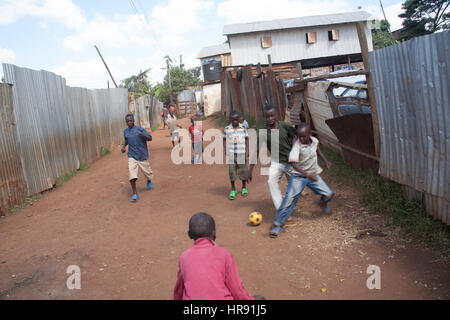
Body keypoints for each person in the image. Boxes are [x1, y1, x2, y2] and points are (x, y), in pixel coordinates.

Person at [174, 212, 264, 300]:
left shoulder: (184, 257)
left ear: (189, 234)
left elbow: (179, 288)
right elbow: (236, 288)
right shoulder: (224, 254)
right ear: (214, 233)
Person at [269, 123, 334, 238]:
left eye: (304, 136)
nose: (301, 139)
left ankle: (322, 202)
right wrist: (307, 174)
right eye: (299, 136)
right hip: (299, 176)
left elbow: (318, 151)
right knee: (289, 199)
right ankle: (278, 225)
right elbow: (294, 165)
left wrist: (326, 160)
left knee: (329, 193)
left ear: (310, 134)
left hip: (313, 175)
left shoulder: (315, 141)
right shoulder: (297, 146)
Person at [248, 104, 297, 210]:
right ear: (264, 117)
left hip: (290, 162)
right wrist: (250, 170)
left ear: (276, 115)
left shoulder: (284, 126)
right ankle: (281, 210)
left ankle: (290, 198)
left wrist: (293, 152)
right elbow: (256, 151)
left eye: (272, 116)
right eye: (267, 116)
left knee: (296, 187)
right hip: (277, 163)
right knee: (271, 182)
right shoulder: (263, 133)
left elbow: (295, 136)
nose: (270, 118)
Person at [121, 114, 154, 203]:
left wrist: (142, 135)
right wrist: (124, 147)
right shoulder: (126, 131)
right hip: (132, 156)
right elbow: (126, 140)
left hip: (142, 155)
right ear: (126, 122)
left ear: (134, 120)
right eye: (127, 121)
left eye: (131, 120)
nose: (129, 122)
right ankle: (135, 194)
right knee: (132, 175)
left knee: (148, 173)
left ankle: (148, 180)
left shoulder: (140, 129)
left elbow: (150, 138)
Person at [223, 111, 249, 200]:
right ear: (230, 120)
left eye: (236, 120)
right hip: (231, 154)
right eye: (233, 120)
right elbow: (224, 139)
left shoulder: (243, 128)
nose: (235, 121)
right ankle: (233, 189)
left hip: (241, 153)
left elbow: (246, 139)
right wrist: (225, 149)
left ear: (239, 119)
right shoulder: (227, 129)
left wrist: (247, 151)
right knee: (232, 171)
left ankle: (244, 187)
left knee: (243, 170)